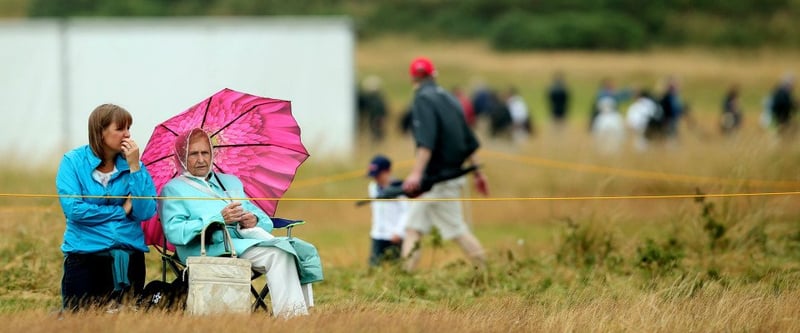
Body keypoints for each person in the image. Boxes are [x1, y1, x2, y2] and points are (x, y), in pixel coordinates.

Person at [159, 128, 322, 318]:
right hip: (206, 247)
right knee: (279, 254)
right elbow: (174, 231)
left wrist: (253, 220)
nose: (201, 159)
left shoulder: (229, 182)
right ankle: (293, 318)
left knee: (293, 250)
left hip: (240, 241)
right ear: (181, 157)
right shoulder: (173, 189)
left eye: (205, 152)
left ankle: (299, 313)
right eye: (193, 154)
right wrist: (218, 219)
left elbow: (258, 214)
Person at [56, 104, 157, 312]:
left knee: (125, 323)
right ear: (100, 132)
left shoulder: (134, 165)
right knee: (79, 323)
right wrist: (120, 212)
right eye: (120, 128)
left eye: (129, 128)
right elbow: (74, 210)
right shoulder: (72, 162)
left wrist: (135, 168)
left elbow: (145, 211)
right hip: (84, 259)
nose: (128, 134)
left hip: (129, 259)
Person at [401, 56, 489, 273]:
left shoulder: (422, 99)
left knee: (456, 230)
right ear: (434, 74)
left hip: (438, 179)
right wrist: (477, 173)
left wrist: (415, 174)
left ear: (413, 79)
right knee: (413, 228)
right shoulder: (450, 98)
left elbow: (426, 142)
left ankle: (487, 271)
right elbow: (468, 139)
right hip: (450, 174)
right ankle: (404, 277)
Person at [366, 155, 408, 267]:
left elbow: (406, 211)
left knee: (396, 267)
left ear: (387, 171)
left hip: (394, 236)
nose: (376, 179)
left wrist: (399, 231)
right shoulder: (372, 187)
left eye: (378, 175)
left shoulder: (399, 188)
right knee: (373, 266)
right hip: (377, 234)